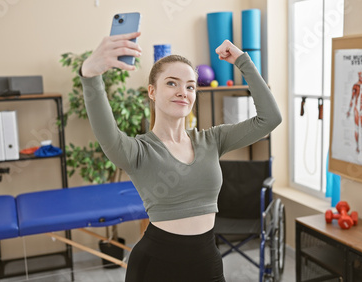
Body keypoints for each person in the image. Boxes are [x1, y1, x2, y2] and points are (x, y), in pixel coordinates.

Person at [79, 31, 282, 282]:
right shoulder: (138, 151)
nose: (182, 92)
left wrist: (243, 62)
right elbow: (106, 132)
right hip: (155, 266)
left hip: (207, 261)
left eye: (190, 86)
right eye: (172, 83)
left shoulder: (212, 140)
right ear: (152, 92)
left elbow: (270, 119)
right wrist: (90, 75)